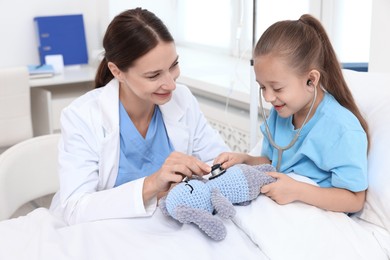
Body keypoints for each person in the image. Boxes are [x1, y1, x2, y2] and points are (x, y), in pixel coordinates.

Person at [50, 8, 230, 225]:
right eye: (154, 75)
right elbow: (75, 209)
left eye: (174, 65)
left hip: (169, 227)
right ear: (117, 72)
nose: (171, 84)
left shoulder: (182, 98)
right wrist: (153, 184)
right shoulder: (81, 116)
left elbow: (217, 163)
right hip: (108, 231)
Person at [214, 14, 369, 214]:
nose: (269, 97)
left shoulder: (341, 129)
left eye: (277, 89)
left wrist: (298, 191)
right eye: (262, 87)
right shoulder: (283, 112)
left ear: (311, 80)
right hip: (279, 206)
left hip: (318, 215)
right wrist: (245, 159)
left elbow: (354, 199)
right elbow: (274, 162)